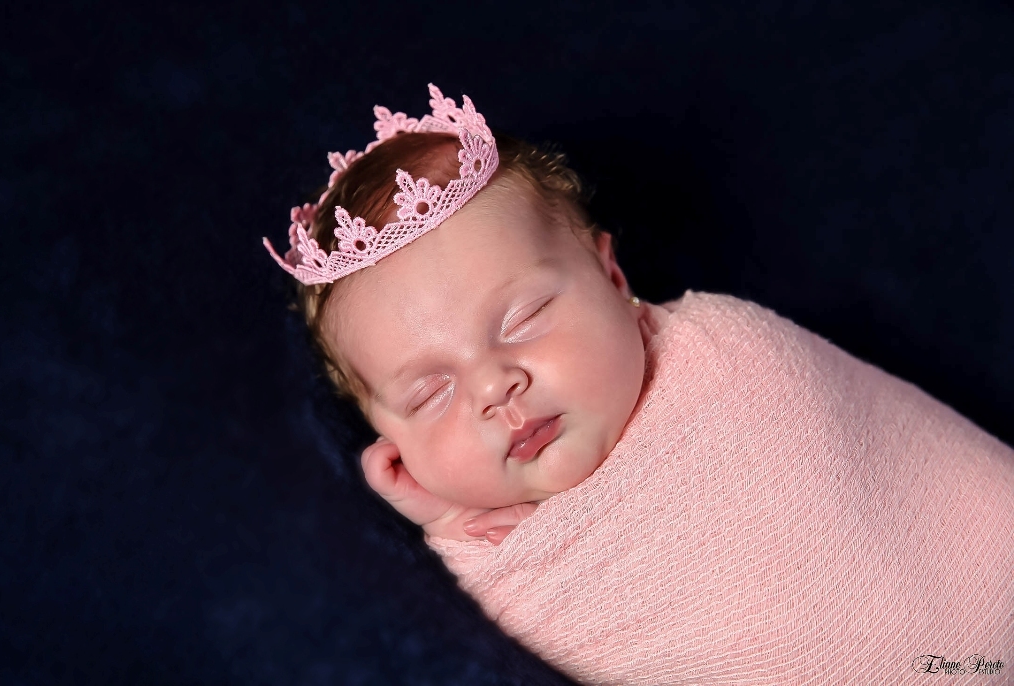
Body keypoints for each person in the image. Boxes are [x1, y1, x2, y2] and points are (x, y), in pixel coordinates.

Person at [265, 85, 1013, 685]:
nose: (495, 386)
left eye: (523, 319)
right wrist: (455, 526)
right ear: (388, 436)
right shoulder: (492, 545)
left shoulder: (726, 360)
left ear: (613, 278)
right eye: (429, 395)